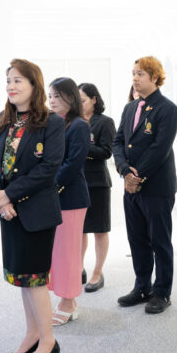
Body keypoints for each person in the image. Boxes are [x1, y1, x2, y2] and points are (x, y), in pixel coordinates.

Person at [0, 59, 65, 353]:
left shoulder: (52, 123)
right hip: (10, 213)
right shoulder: (3, 120)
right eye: (8, 81)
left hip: (36, 212)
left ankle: (48, 342)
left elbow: (48, 169)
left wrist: (10, 194)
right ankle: (32, 334)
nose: (11, 87)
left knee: (35, 280)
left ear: (34, 85)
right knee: (22, 279)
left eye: (18, 80)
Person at [112, 56, 177, 314]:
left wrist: (136, 176)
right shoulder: (130, 108)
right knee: (137, 238)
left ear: (155, 77)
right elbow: (118, 142)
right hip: (130, 184)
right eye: (133, 74)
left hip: (156, 186)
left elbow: (160, 148)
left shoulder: (167, 109)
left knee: (159, 240)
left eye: (140, 74)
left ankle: (162, 292)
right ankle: (142, 287)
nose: (135, 79)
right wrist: (124, 171)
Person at [46, 77, 90, 324]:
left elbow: (73, 163)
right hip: (53, 197)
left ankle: (68, 300)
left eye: (57, 96)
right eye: (50, 96)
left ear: (70, 98)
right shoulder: (54, 123)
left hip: (70, 197)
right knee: (57, 252)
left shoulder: (79, 126)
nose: (51, 101)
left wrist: (52, 186)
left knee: (69, 253)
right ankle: (69, 299)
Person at [78, 82, 116, 292]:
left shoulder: (105, 122)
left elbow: (106, 152)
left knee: (100, 230)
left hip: (98, 183)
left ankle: (97, 272)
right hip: (76, 182)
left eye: (83, 99)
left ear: (94, 99)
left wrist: (83, 146)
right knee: (79, 230)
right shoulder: (71, 121)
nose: (79, 103)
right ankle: (79, 268)